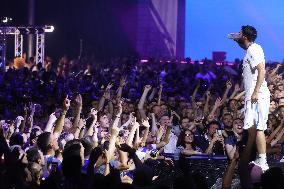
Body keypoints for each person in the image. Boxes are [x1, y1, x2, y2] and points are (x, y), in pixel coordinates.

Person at [231, 25, 270, 171]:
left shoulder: (254, 49)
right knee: (252, 128)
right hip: (253, 95)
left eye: (240, 33)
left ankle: (263, 161)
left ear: (245, 36)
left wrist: (255, 92)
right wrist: (236, 39)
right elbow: (238, 41)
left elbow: (261, 70)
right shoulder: (250, 49)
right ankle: (257, 158)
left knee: (258, 128)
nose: (238, 34)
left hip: (257, 95)